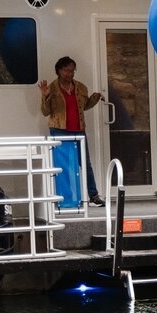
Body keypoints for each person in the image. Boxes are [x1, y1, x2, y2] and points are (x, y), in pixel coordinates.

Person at [38, 57, 105, 205]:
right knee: (62, 165)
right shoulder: (52, 88)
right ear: (59, 71)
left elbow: (84, 106)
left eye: (72, 70)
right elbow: (45, 111)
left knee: (85, 164)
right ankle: (63, 198)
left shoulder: (81, 87)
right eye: (67, 70)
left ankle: (93, 195)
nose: (70, 74)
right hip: (59, 130)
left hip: (78, 130)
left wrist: (94, 99)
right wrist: (45, 95)